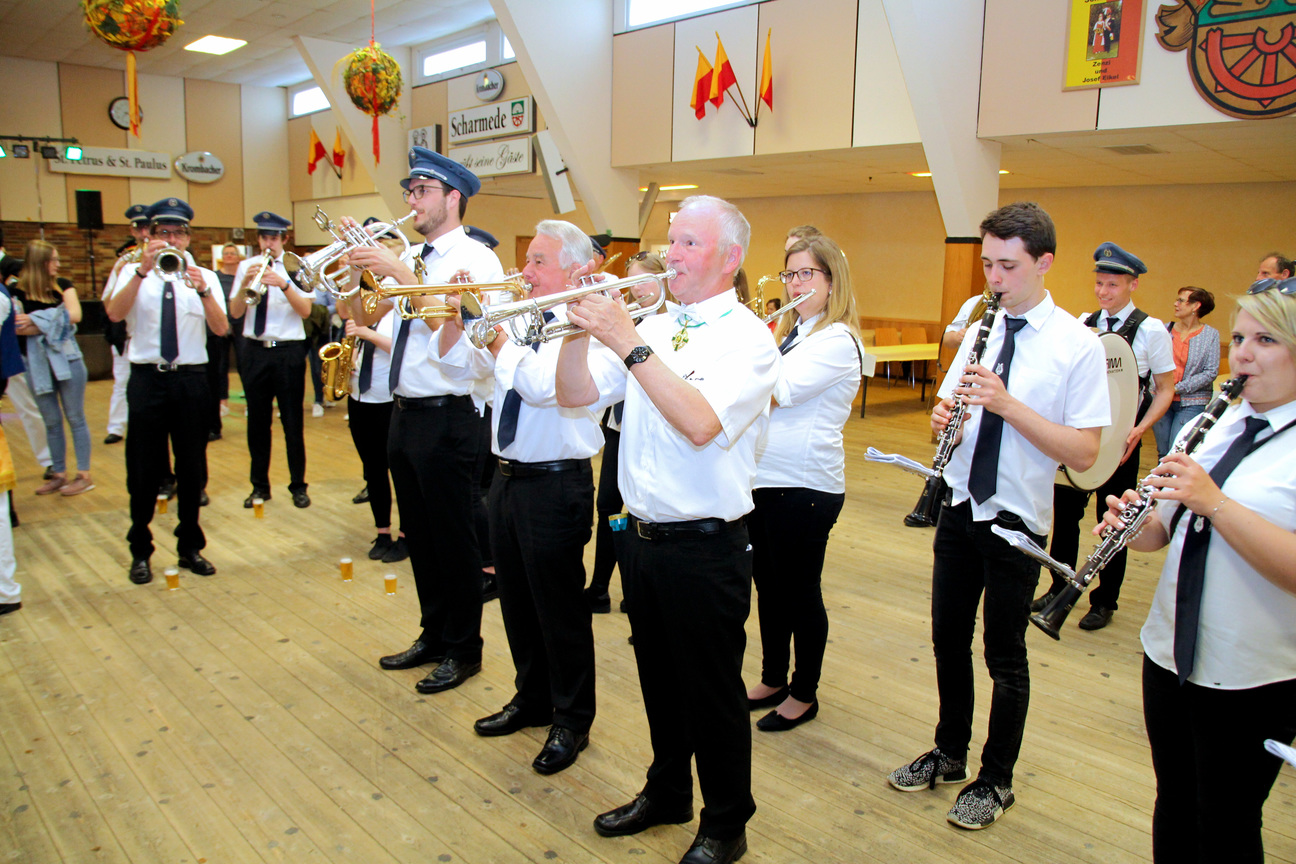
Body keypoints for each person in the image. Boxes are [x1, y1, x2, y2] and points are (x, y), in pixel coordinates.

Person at [556, 195, 780, 864]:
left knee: (711, 693)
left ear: (729, 258)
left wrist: (626, 339)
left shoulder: (748, 338)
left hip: (707, 546)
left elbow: (700, 422)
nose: (671, 255)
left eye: (688, 243)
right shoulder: (654, 323)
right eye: (672, 240)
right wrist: (577, 327)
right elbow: (574, 395)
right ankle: (668, 791)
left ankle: (727, 823)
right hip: (640, 537)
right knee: (657, 679)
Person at [886, 202, 1108, 830]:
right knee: (947, 639)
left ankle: (997, 778)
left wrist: (1007, 405)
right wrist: (942, 422)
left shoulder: (1076, 345)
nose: (994, 278)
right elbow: (950, 415)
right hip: (960, 506)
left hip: (1015, 519)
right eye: (987, 264)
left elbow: (1084, 453)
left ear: (1045, 263)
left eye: (1007, 266)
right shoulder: (980, 330)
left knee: (1003, 654)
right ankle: (950, 751)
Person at [1100, 278, 1296, 863]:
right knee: (1175, 803)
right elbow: (1161, 532)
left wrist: (1214, 502)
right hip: (1169, 653)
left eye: (1265, 340)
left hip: (1252, 673)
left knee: (1228, 820)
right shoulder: (1211, 423)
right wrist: (1131, 524)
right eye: (1239, 338)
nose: (1243, 354)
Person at [442, 219, 602, 776]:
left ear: (574, 272)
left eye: (538, 261)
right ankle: (532, 698)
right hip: (507, 477)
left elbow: (540, 387)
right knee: (515, 601)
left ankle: (572, 719)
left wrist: (494, 336)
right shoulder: (518, 318)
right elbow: (465, 370)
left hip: (556, 482)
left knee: (559, 610)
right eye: (527, 258)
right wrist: (466, 321)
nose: (525, 270)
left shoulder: (584, 324)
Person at [346, 146, 504, 695]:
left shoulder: (477, 259)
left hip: (450, 413)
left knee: (454, 540)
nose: (412, 201)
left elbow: (471, 330)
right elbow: (365, 317)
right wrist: (360, 273)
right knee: (421, 536)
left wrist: (398, 271)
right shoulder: (413, 255)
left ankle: (464, 648)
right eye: (410, 191)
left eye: (422, 192)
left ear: (452, 198)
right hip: (404, 410)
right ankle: (434, 633)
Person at [745, 235, 862, 733]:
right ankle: (773, 677)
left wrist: (749, 345)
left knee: (799, 593)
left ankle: (804, 692)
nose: (794, 284)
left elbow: (780, 390)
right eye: (789, 274)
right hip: (766, 479)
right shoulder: (796, 332)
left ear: (831, 281)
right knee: (769, 589)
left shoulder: (836, 340)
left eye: (806, 274)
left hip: (805, 485)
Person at [1035, 242, 1175, 631]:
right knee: (1065, 518)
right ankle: (1059, 587)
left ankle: (1104, 600)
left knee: (1113, 521)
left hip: (1121, 445)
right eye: (1099, 283)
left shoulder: (1151, 330)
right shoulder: (1084, 323)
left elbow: (1165, 389)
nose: (1103, 292)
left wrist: (1141, 429)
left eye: (1112, 285)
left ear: (1132, 284)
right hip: (1082, 438)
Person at [104, 197, 228, 585]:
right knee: (142, 469)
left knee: (192, 468)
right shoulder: (132, 271)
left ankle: (190, 547)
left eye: (179, 233)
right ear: (150, 235)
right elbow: (114, 313)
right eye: (163, 232)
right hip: (147, 379)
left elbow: (221, 328)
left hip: (190, 380)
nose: (171, 239)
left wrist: (204, 292)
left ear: (188, 237)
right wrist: (141, 271)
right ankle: (140, 550)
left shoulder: (204, 275)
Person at [585, 251, 670, 613]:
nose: (636, 291)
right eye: (630, 283)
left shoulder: (667, 325)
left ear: (662, 280)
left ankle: (637, 595)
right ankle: (600, 586)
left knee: (640, 514)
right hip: (617, 427)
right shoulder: (627, 319)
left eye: (642, 281)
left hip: (651, 433)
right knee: (609, 509)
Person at [229, 211, 312, 509]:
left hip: (288, 352)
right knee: (257, 423)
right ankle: (259, 487)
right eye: (264, 237)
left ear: (284, 239)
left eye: (274, 238)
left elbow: (305, 311)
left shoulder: (297, 267)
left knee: (292, 422)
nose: (269, 243)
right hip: (254, 351)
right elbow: (235, 312)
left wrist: (284, 284)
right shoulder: (246, 266)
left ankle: (298, 486)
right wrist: (245, 283)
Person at [15, 241, 94, 497]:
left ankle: (84, 475)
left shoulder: (64, 285)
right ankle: (58, 473)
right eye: (53, 260)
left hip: (68, 360)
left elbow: (74, 315)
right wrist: (53, 320)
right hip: (34, 362)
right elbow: (17, 328)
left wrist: (35, 320)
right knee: (50, 420)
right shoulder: (17, 291)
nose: (58, 265)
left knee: (75, 417)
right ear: (40, 262)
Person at [339, 293, 407, 564]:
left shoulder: (399, 311)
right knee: (373, 470)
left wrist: (368, 334)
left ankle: (406, 535)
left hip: (387, 400)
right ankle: (382, 532)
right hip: (359, 398)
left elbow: (403, 350)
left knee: (400, 473)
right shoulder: (360, 315)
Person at [1152, 287, 1220, 458]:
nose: (1175, 304)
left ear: (1196, 306)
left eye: (1181, 301)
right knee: (1163, 451)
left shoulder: (1211, 335)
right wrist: (1161, 388)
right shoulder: (1164, 330)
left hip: (1192, 402)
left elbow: (1210, 372)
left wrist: (1177, 388)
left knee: (1178, 452)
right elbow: (1152, 362)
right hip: (1161, 399)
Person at [103, 204, 151, 445]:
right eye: (138, 228)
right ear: (132, 231)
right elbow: (108, 302)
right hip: (127, 333)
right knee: (122, 381)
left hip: (152, 332)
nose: (143, 233)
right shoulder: (124, 261)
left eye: (147, 227)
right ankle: (117, 427)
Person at [213, 243, 245, 423]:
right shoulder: (216, 277)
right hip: (221, 323)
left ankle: (250, 400)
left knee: (244, 362)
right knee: (220, 364)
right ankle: (222, 402)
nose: (229, 256)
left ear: (238, 257)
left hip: (241, 323)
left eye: (232, 253)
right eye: (226, 253)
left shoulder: (242, 277)